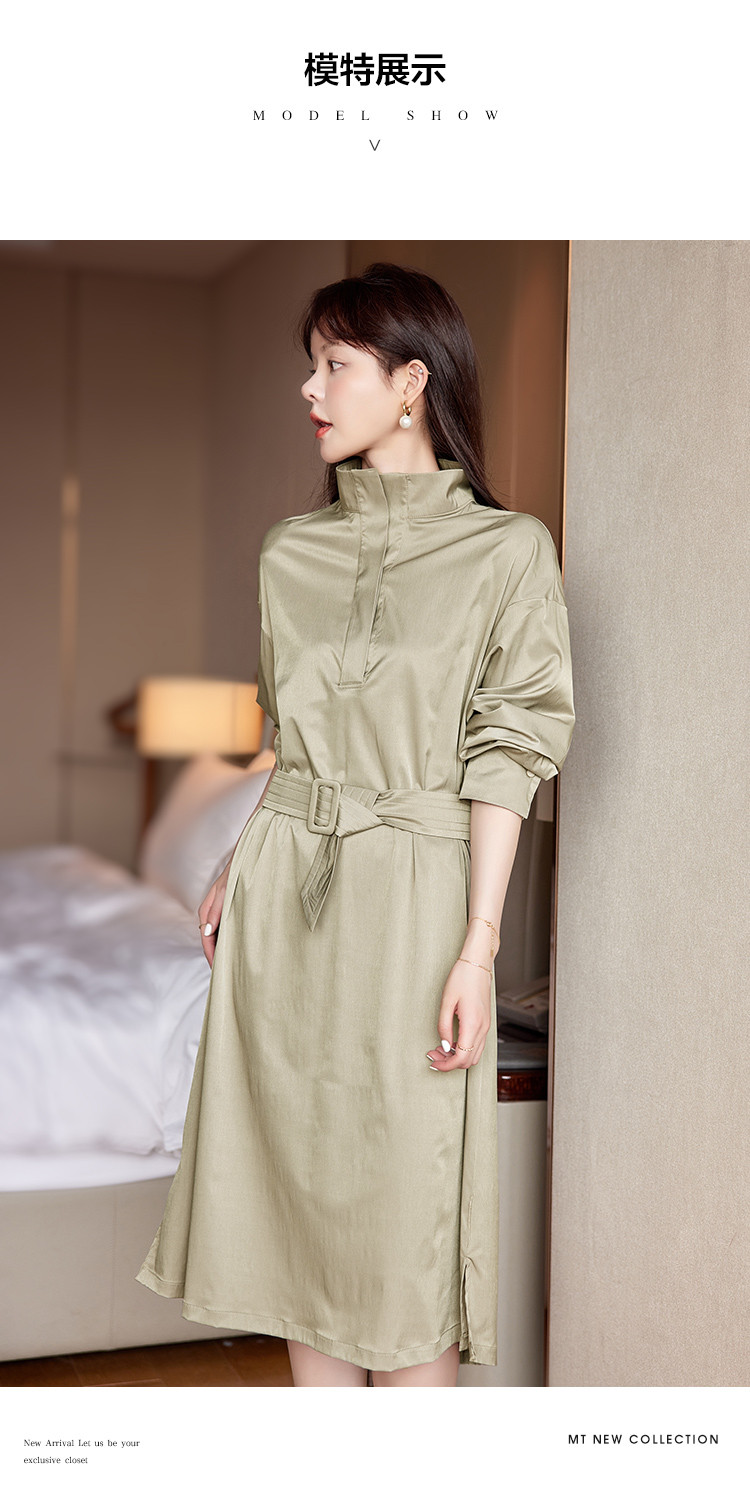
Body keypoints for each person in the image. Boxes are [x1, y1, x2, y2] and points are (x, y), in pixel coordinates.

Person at [135, 261, 576, 1388]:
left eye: (335, 363)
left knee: (404, 1232)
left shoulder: (507, 551)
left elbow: (509, 750)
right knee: (302, 1232)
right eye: (312, 364)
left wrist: (478, 944)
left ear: (414, 382)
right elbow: (291, 739)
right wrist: (237, 855)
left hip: (416, 906)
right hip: (284, 900)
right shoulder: (292, 551)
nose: (310, 387)